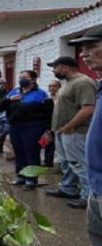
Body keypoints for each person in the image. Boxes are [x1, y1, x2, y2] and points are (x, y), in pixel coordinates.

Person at [68, 24, 102, 246]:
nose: (84, 54)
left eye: (91, 47)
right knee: (97, 242)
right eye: (83, 49)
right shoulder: (99, 87)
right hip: (96, 185)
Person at [45, 57, 96, 209]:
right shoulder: (68, 83)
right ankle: (68, 188)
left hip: (75, 131)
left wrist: (69, 126)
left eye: (55, 67)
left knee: (79, 163)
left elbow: (88, 108)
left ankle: (88, 197)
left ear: (65, 67)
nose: (53, 70)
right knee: (66, 163)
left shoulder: (83, 82)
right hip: (62, 130)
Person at [0, 70, 54, 191]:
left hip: (33, 127)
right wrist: (11, 99)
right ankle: (21, 175)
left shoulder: (41, 94)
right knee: (19, 152)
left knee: (32, 153)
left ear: (33, 80)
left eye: (25, 77)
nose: (21, 79)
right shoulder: (15, 92)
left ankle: (31, 179)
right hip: (15, 127)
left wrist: (48, 130)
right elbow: (0, 106)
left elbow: (49, 113)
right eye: (20, 77)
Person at [43, 80, 62, 167]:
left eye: (54, 86)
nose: (52, 88)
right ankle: (47, 162)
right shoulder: (46, 99)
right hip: (49, 125)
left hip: (61, 125)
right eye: (50, 86)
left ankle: (62, 164)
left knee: (61, 145)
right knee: (46, 143)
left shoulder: (62, 98)